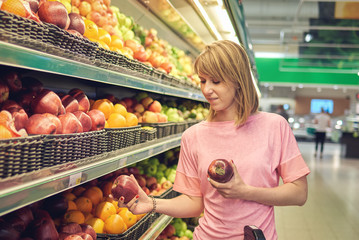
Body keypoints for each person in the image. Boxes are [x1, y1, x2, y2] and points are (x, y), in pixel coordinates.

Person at [114, 40, 310, 239]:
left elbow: (299, 193)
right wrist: (152, 204)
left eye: (216, 81)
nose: (207, 90)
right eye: (202, 80)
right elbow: (193, 203)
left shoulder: (274, 126)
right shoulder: (194, 136)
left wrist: (245, 191)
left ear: (238, 80)